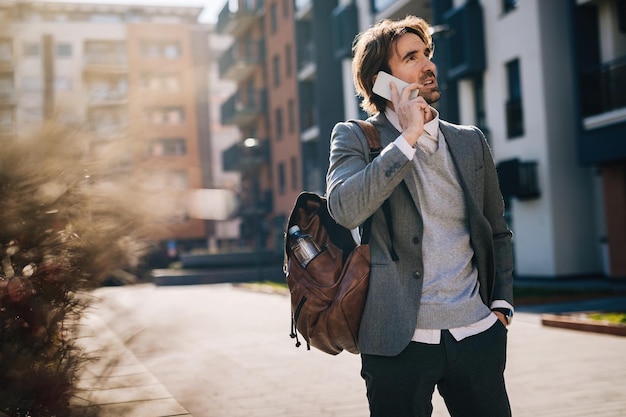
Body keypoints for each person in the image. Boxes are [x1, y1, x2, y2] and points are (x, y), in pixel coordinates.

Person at [325, 15, 515, 417]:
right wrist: (407, 139)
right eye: (411, 58)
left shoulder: (469, 141)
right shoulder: (356, 138)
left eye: (427, 54)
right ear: (381, 80)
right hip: (397, 341)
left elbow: (497, 230)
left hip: (477, 334)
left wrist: (500, 307)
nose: (428, 64)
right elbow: (344, 209)